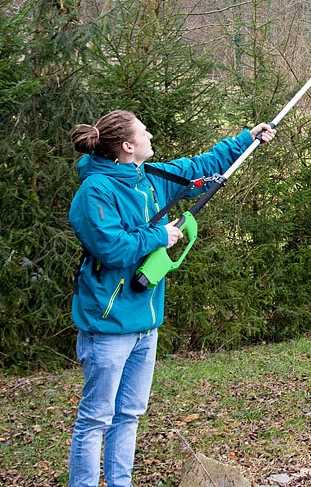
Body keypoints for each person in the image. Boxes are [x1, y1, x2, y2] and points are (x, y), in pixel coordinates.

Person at [67, 110, 275, 487]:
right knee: (96, 418)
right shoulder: (95, 191)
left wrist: (247, 139)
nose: (150, 135)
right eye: (143, 132)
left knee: (128, 415)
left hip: (146, 326)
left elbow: (199, 166)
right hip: (108, 327)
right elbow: (111, 248)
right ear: (127, 146)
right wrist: (159, 237)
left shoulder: (149, 177)